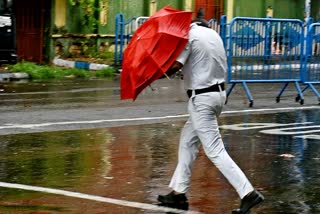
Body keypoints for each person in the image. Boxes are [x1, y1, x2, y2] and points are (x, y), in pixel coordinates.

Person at [157, 19, 264, 214]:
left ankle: (248, 193)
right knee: (187, 142)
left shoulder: (189, 37)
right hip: (218, 95)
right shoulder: (214, 35)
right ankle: (179, 193)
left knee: (215, 150)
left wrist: (155, 73)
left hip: (202, 99)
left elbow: (175, 66)